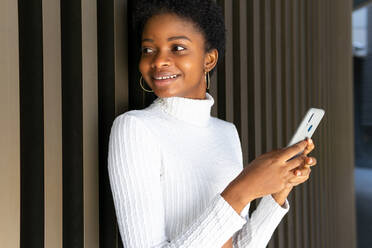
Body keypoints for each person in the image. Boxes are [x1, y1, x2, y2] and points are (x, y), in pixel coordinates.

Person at [107, 0, 317, 247]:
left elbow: (238, 245)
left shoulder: (226, 133)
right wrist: (243, 190)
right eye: (149, 50)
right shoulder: (135, 129)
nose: (159, 61)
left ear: (209, 59)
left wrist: (279, 192)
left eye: (177, 47)